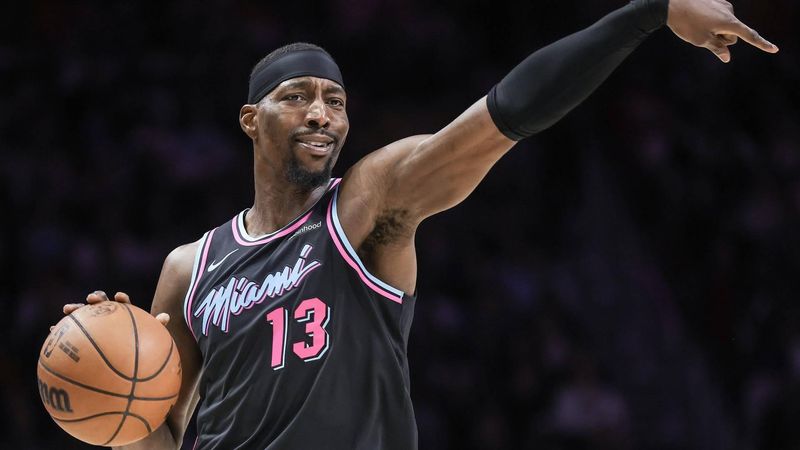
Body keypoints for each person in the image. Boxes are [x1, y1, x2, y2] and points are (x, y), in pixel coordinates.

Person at [57, 0, 777, 448]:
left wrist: (645, 13)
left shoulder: (365, 205)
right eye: (297, 96)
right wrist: (109, 364)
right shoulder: (190, 266)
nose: (321, 113)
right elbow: (154, 426)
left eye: (335, 100)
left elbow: (499, 119)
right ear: (251, 118)